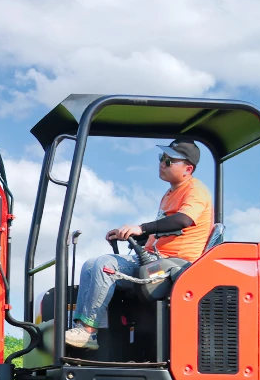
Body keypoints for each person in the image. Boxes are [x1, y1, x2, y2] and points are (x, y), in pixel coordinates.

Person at [65, 138, 213, 350]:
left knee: (106, 266)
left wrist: (140, 228)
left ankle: (89, 332)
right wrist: (129, 235)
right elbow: (165, 230)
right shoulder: (170, 193)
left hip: (174, 266)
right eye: (161, 158)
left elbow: (183, 220)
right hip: (157, 258)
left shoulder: (195, 190)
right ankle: (84, 327)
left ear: (188, 169)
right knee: (91, 264)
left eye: (169, 161)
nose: (162, 163)